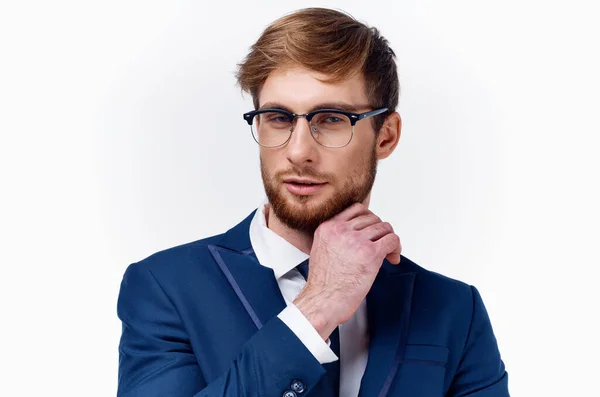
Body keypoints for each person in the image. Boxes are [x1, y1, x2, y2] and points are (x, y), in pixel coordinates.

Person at [116, 7, 509, 397]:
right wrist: (315, 310)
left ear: (386, 135)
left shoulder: (453, 309)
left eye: (333, 118)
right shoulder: (166, 287)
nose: (298, 151)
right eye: (279, 118)